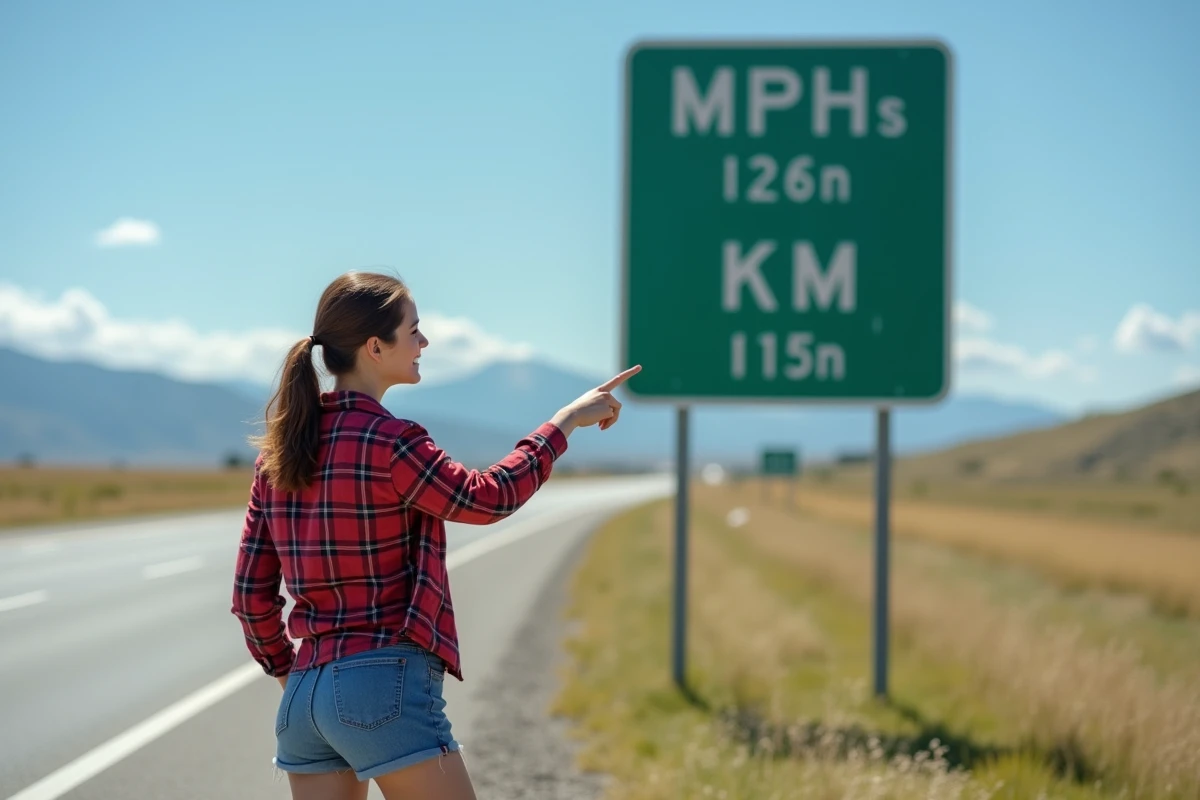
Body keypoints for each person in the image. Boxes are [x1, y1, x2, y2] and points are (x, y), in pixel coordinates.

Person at [230, 270, 640, 800]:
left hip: (303, 700)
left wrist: (295, 677)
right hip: (379, 685)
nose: (424, 342)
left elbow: (250, 598)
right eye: (414, 330)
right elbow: (488, 497)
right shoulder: (390, 441)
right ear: (375, 347)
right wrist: (564, 422)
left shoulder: (278, 456)